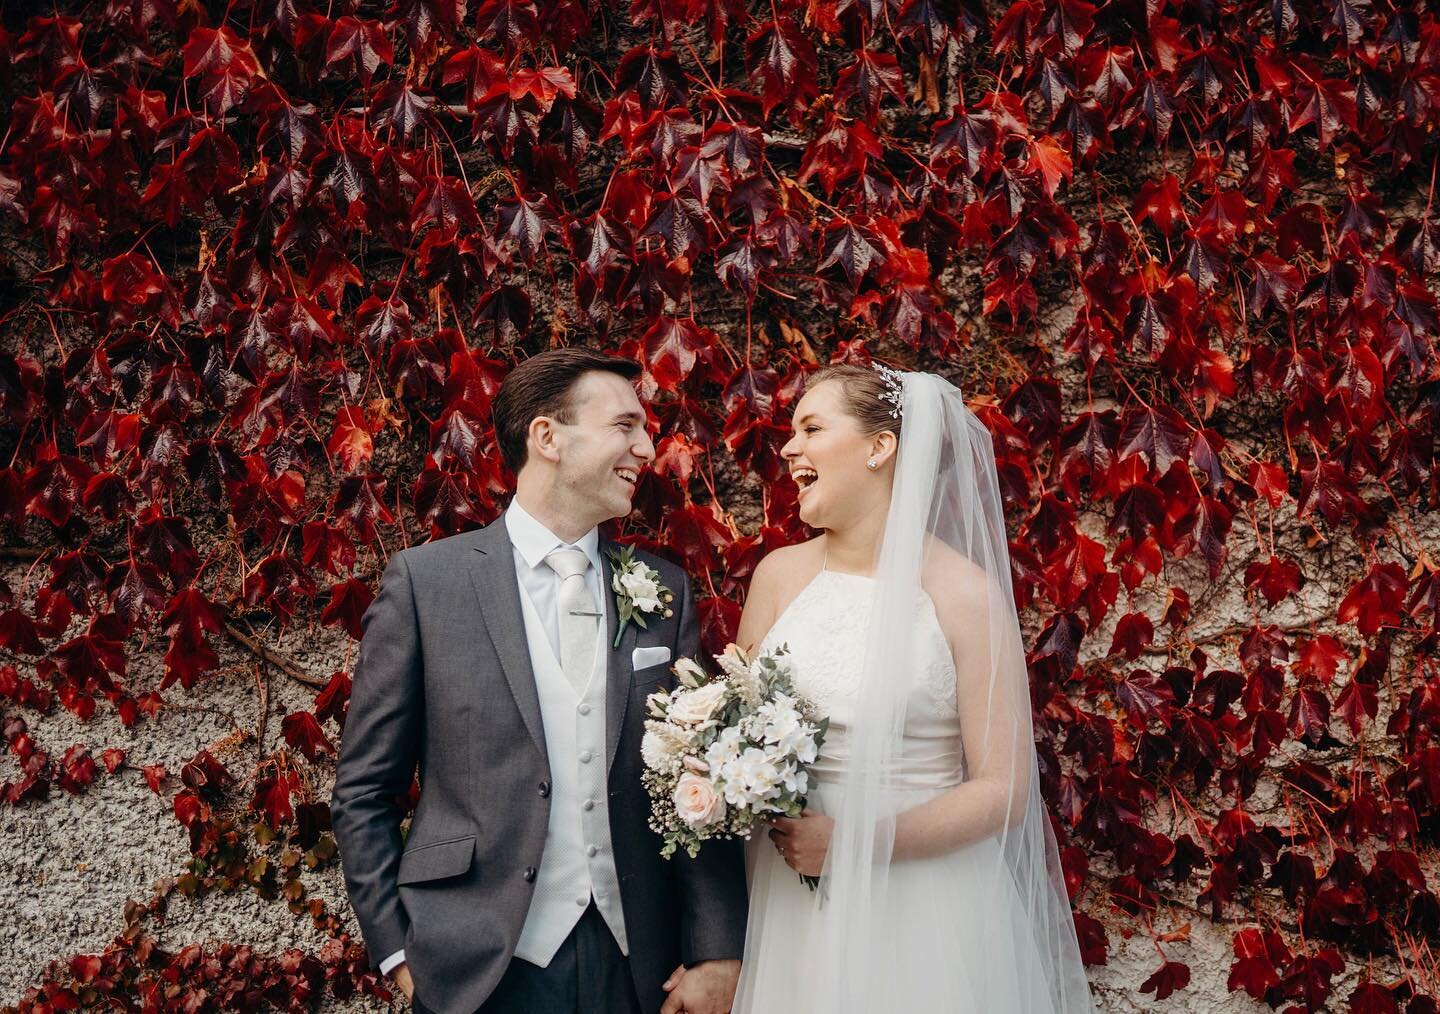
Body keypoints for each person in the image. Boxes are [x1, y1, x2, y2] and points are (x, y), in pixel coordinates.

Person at [331, 348, 747, 1014]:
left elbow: (696, 784)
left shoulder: (662, 590)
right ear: (547, 437)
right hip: (479, 971)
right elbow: (364, 790)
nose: (646, 447)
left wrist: (719, 950)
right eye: (624, 425)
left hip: (639, 963)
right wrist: (401, 956)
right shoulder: (427, 585)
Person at [728, 363, 1095, 1013]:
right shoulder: (777, 576)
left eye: (812, 428)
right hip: (788, 904)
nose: (789, 448)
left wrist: (852, 843)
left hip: (923, 909)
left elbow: (1004, 791)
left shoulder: (964, 596)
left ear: (880, 447)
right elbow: (733, 733)